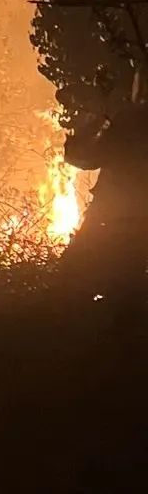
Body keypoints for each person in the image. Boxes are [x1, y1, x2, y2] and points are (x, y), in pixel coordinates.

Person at [61, 68, 148, 318]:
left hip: (112, 216)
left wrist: (95, 119)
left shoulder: (130, 119)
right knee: (129, 292)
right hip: (139, 223)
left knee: (72, 279)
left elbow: (85, 157)